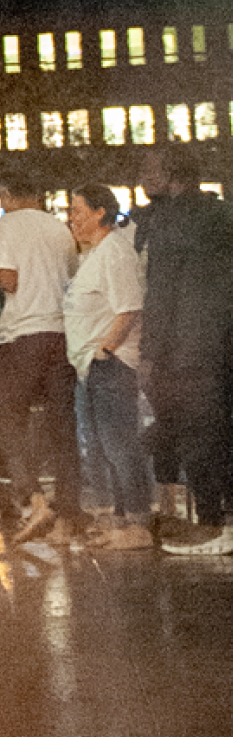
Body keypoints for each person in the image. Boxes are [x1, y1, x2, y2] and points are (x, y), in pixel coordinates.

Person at [131, 147, 233, 554]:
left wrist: (149, 353)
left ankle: (211, 524)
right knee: (224, 429)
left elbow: (161, 291)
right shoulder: (224, 212)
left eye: (149, 170)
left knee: (199, 436)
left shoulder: (167, 220)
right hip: (225, 341)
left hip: (188, 349)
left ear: (170, 174)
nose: (143, 177)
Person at [0, 170, 83, 545]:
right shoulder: (61, 228)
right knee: (62, 428)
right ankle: (69, 515)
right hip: (61, 335)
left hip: (22, 334)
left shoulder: (9, 223)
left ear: (7, 195)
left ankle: (34, 500)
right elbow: (70, 279)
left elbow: (9, 279)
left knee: (8, 415)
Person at [63, 185, 152, 550]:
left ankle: (137, 522)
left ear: (100, 212)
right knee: (104, 445)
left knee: (119, 444)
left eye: (77, 210)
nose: (71, 217)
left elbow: (129, 307)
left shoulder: (115, 252)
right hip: (91, 366)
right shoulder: (94, 255)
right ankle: (120, 516)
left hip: (110, 365)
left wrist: (107, 349)